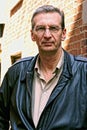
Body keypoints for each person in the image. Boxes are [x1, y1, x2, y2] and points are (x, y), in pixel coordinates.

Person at [0, 5, 87, 130]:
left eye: (53, 28)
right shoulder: (16, 72)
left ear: (63, 34)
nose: (47, 35)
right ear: (32, 35)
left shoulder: (83, 72)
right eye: (40, 28)